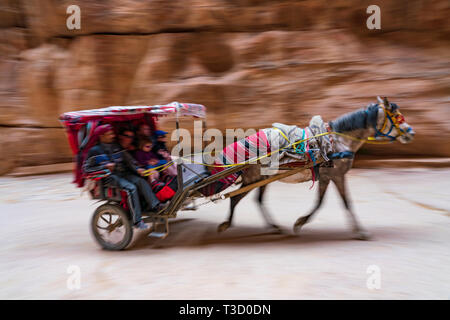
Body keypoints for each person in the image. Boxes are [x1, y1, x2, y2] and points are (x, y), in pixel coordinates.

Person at [83, 124, 164, 230]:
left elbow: (128, 160)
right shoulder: (94, 151)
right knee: (131, 188)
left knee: (141, 181)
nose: (112, 136)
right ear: (101, 136)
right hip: (110, 177)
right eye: (109, 134)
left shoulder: (116, 146)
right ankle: (137, 221)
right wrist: (104, 167)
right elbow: (87, 169)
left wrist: (137, 169)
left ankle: (156, 206)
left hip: (124, 174)